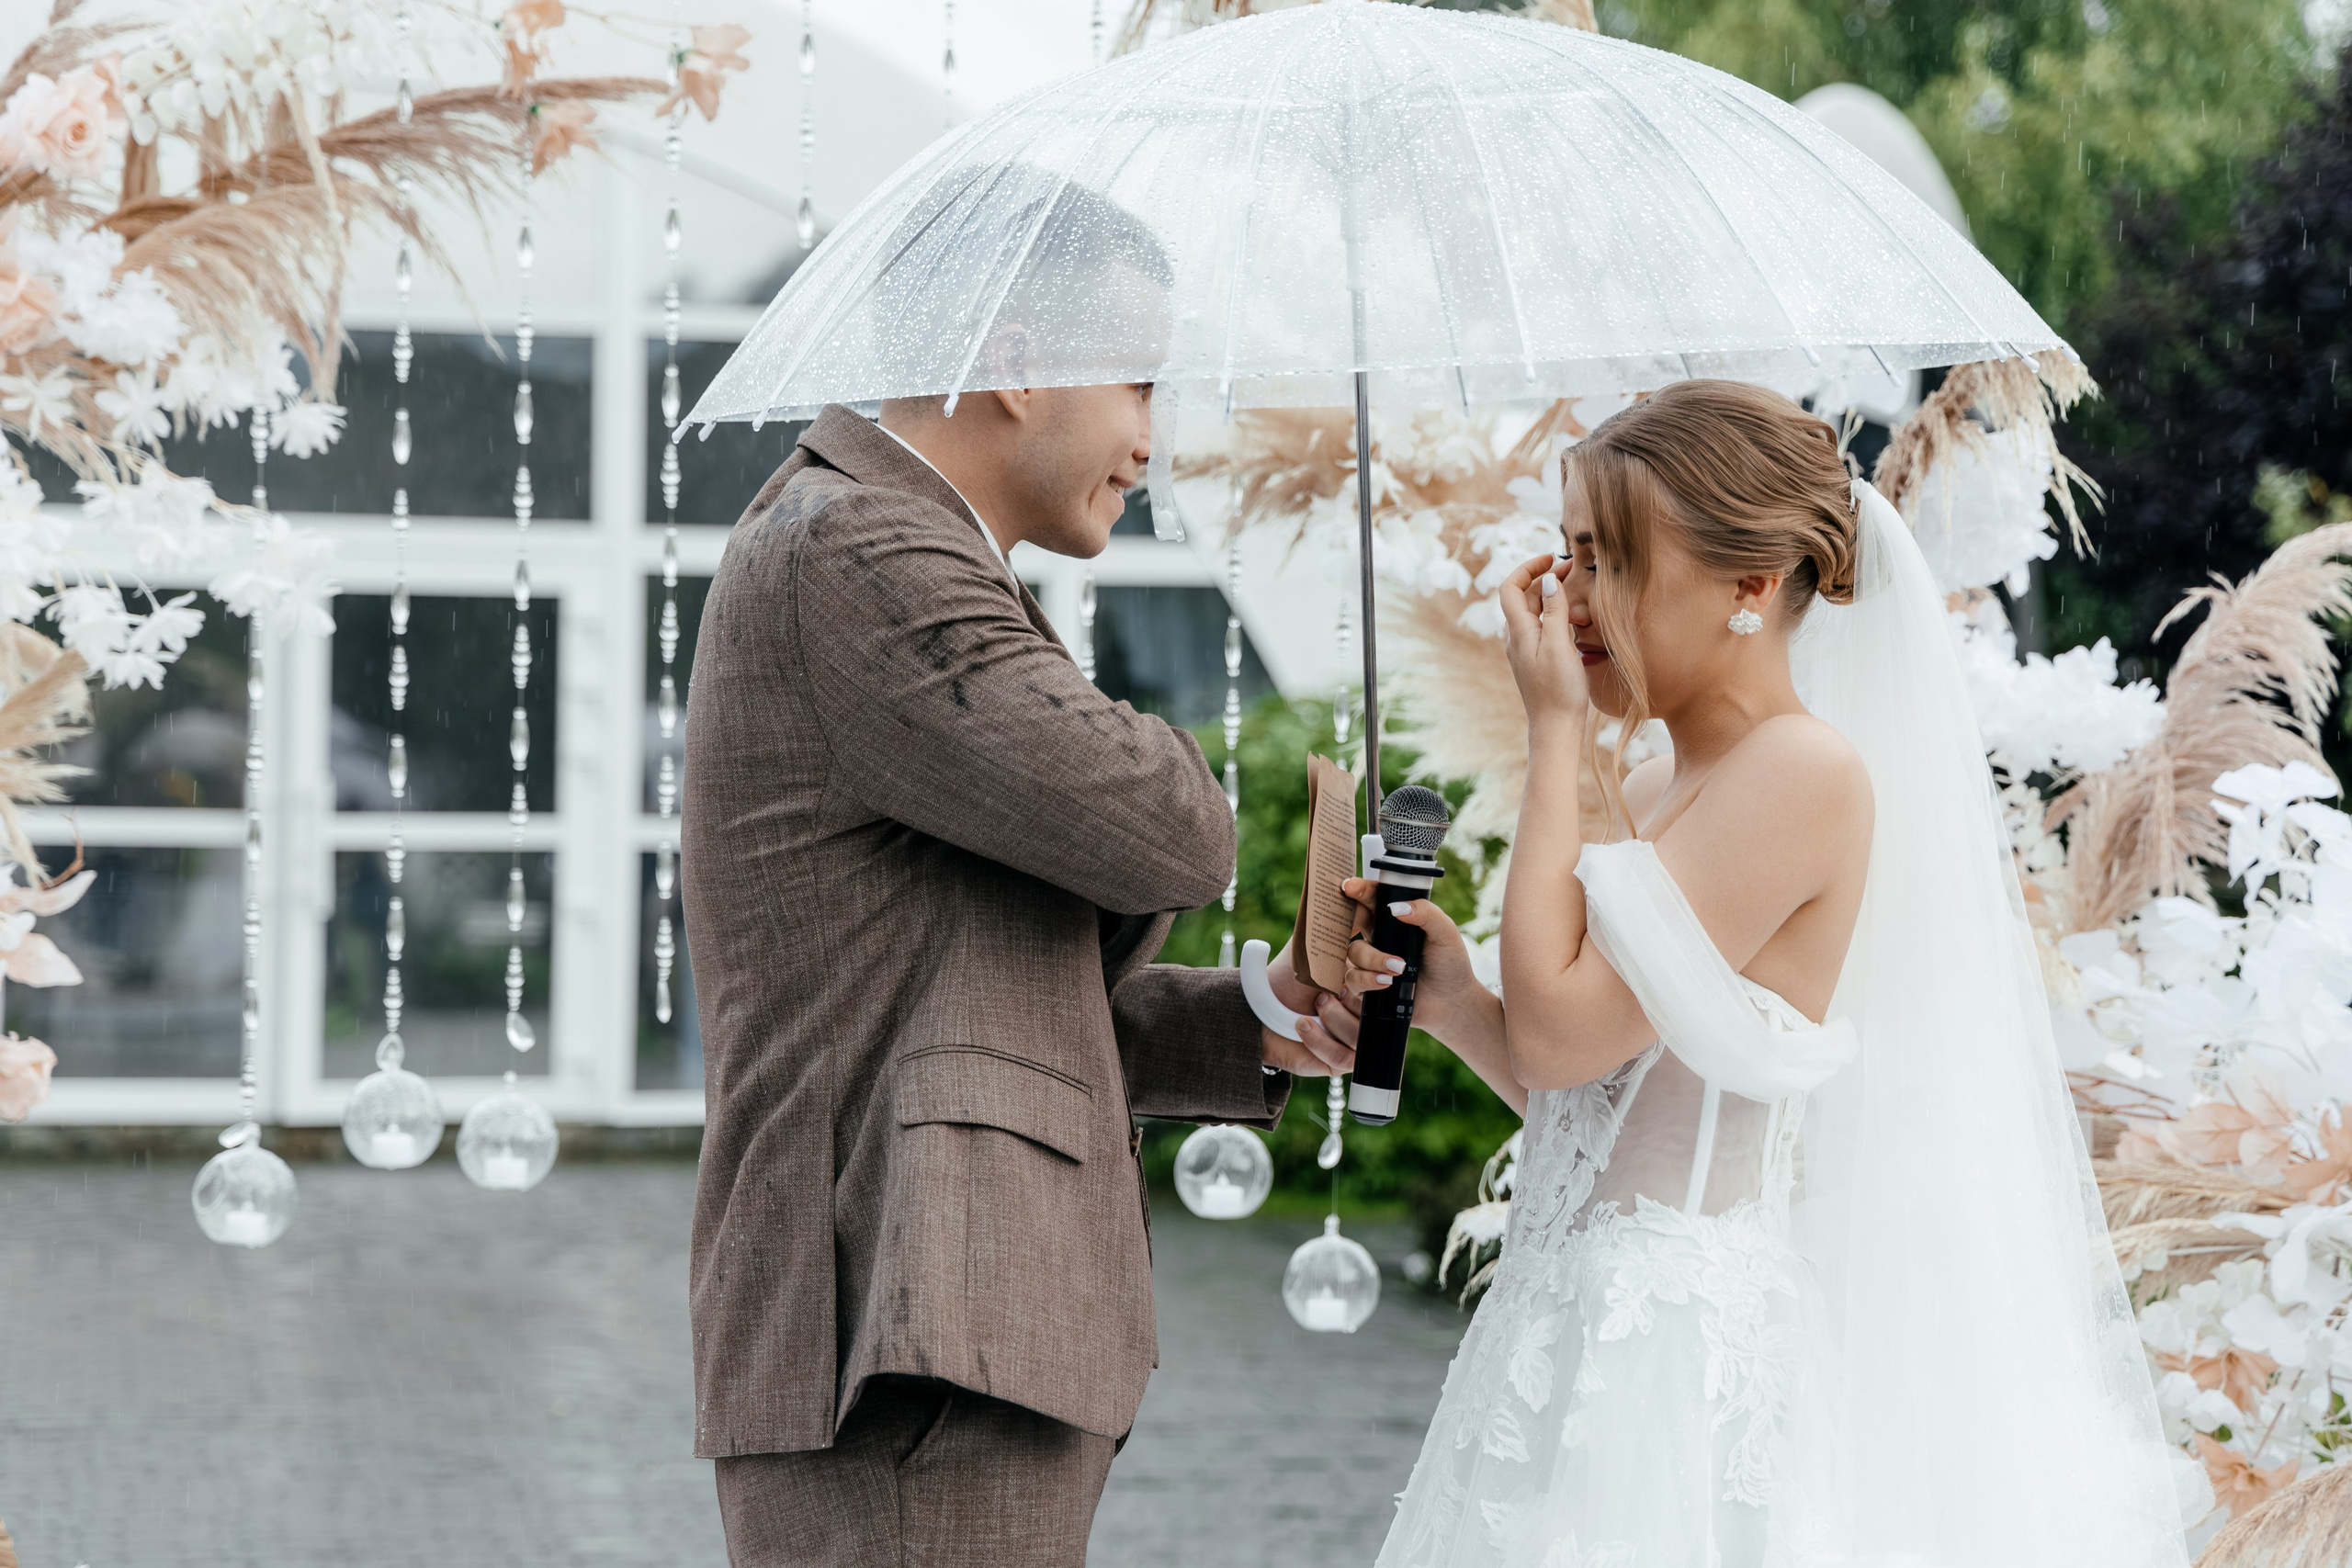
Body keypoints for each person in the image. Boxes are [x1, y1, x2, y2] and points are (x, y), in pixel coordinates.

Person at [1358, 381, 2190, 1567]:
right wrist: (1451, 1004)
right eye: (1571, 553)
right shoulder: (1651, 785)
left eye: (1612, 560)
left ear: (1750, 586)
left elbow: (1564, 1040)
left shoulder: (1799, 772)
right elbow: (1587, 1095)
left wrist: (1554, 732)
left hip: (1668, 1350)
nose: (1572, 597)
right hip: (1561, 1321)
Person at [680, 178, 1360, 1568]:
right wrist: (1175, 762)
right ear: (1009, 361)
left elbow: (998, 997)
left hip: (931, 1339)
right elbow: (1174, 829)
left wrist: (1269, 1012)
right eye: (1138, 382)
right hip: (906, 1345)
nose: (1149, 444)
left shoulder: (895, 550)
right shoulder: (863, 550)